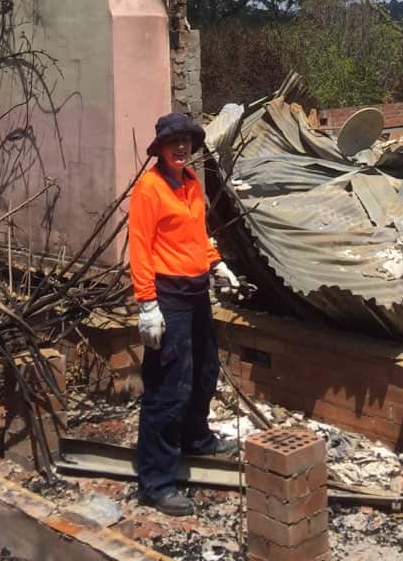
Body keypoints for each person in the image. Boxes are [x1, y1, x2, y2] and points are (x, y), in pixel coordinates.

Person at [128, 111, 242, 516]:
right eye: (172, 141)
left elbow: (197, 235)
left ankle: (196, 439)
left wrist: (216, 264)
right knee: (167, 387)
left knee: (204, 370)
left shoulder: (191, 184)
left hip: (196, 292)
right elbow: (139, 248)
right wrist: (147, 304)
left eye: (186, 141)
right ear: (159, 147)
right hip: (167, 295)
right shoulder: (149, 189)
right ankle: (155, 482)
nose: (180, 147)